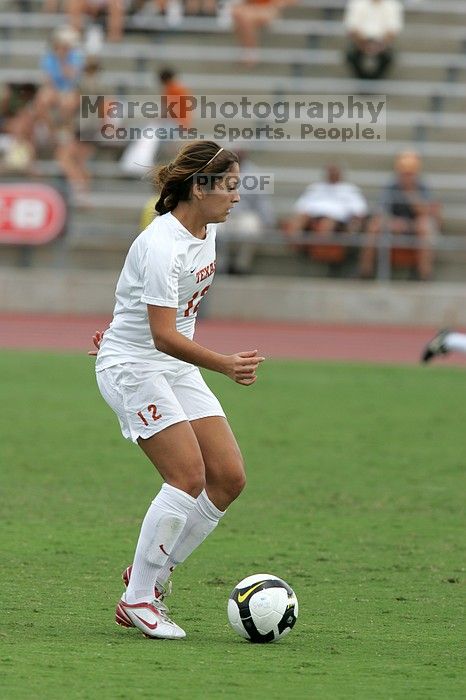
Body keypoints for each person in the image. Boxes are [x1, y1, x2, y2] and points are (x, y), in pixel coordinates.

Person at [91, 141, 265, 639]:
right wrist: (226, 365)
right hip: (135, 367)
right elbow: (162, 334)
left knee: (228, 478)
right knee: (186, 475)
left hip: (171, 363)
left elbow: (166, 322)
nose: (236, 197)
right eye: (230, 187)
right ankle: (138, 598)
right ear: (200, 187)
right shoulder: (162, 243)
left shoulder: (205, 231)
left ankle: (152, 573)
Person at [358, 151, 441, 280]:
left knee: (425, 226)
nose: (407, 177)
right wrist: (394, 222)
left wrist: (410, 194)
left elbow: (426, 212)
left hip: (414, 225)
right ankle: (365, 271)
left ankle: (425, 274)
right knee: (374, 225)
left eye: (410, 173)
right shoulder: (391, 186)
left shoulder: (422, 187)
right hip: (394, 224)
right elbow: (381, 210)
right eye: (404, 173)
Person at [283, 163, 368, 268]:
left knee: (326, 224)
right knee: (296, 221)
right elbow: (300, 207)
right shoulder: (315, 188)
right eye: (330, 171)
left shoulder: (349, 190)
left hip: (337, 221)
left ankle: (322, 256)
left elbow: (359, 211)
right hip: (312, 218)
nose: (332, 174)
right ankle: (297, 249)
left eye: (335, 171)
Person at [344, 0, 404, 80]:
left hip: (383, 44)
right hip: (360, 42)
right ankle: (364, 82)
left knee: (388, 58)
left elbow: (393, 30)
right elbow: (352, 27)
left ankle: (371, 82)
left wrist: (380, 46)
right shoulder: (357, 3)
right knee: (351, 56)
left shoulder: (393, 4)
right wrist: (363, 44)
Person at [231, 0, 296, 67]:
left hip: (270, 11)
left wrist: (278, 3)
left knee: (245, 17)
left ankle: (250, 53)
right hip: (253, 9)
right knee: (239, 13)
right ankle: (248, 52)